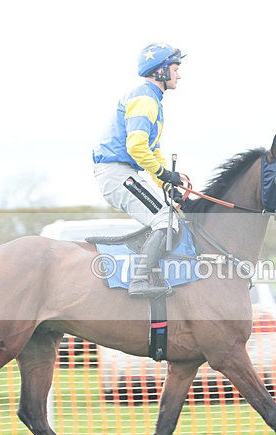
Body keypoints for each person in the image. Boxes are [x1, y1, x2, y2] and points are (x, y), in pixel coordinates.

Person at [92, 43, 185, 298]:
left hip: (122, 172)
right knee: (165, 221)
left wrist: (165, 183)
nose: (179, 75)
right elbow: (136, 146)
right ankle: (139, 281)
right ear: (162, 71)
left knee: (168, 217)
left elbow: (151, 151)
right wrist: (164, 174)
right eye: (175, 69)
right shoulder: (145, 98)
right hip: (117, 173)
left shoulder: (152, 99)